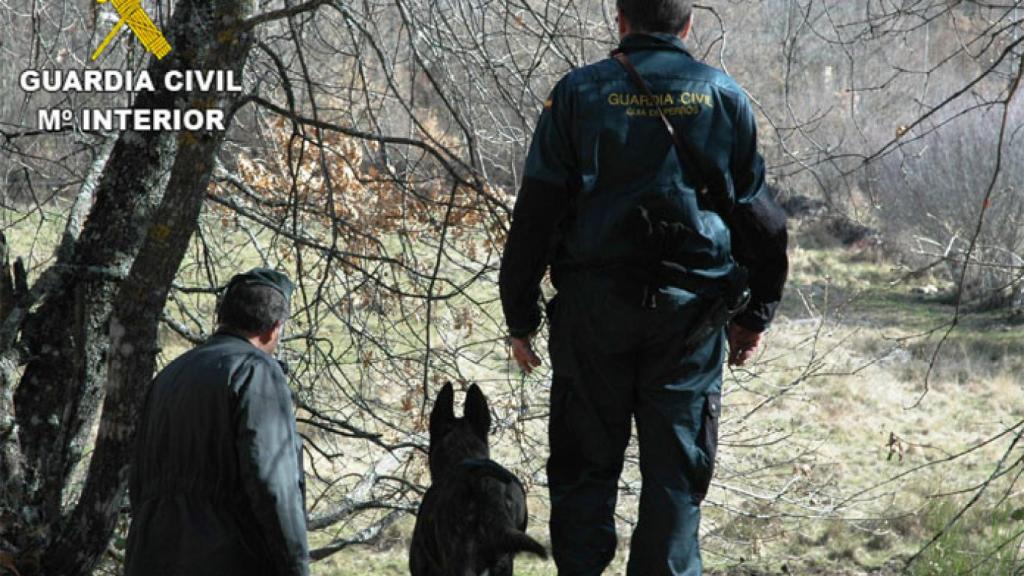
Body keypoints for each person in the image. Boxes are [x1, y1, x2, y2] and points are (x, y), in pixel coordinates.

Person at [499, 1, 789, 574]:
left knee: (583, 475)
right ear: (686, 26)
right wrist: (755, 315)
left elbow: (536, 213)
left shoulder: (577, 94)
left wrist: (521, 316)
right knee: (675, 483)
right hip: (689, 324)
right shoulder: (724, 97)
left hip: (592, 318)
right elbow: (764, 223)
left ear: (620, 21)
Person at [125, 268, 309, 576]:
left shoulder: (169, 376)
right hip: (225, 558)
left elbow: (138, 482)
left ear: (222, 318)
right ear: (274, 329)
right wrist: (296, 566)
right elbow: (273, 482)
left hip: (148, 558)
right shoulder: (255, 370)